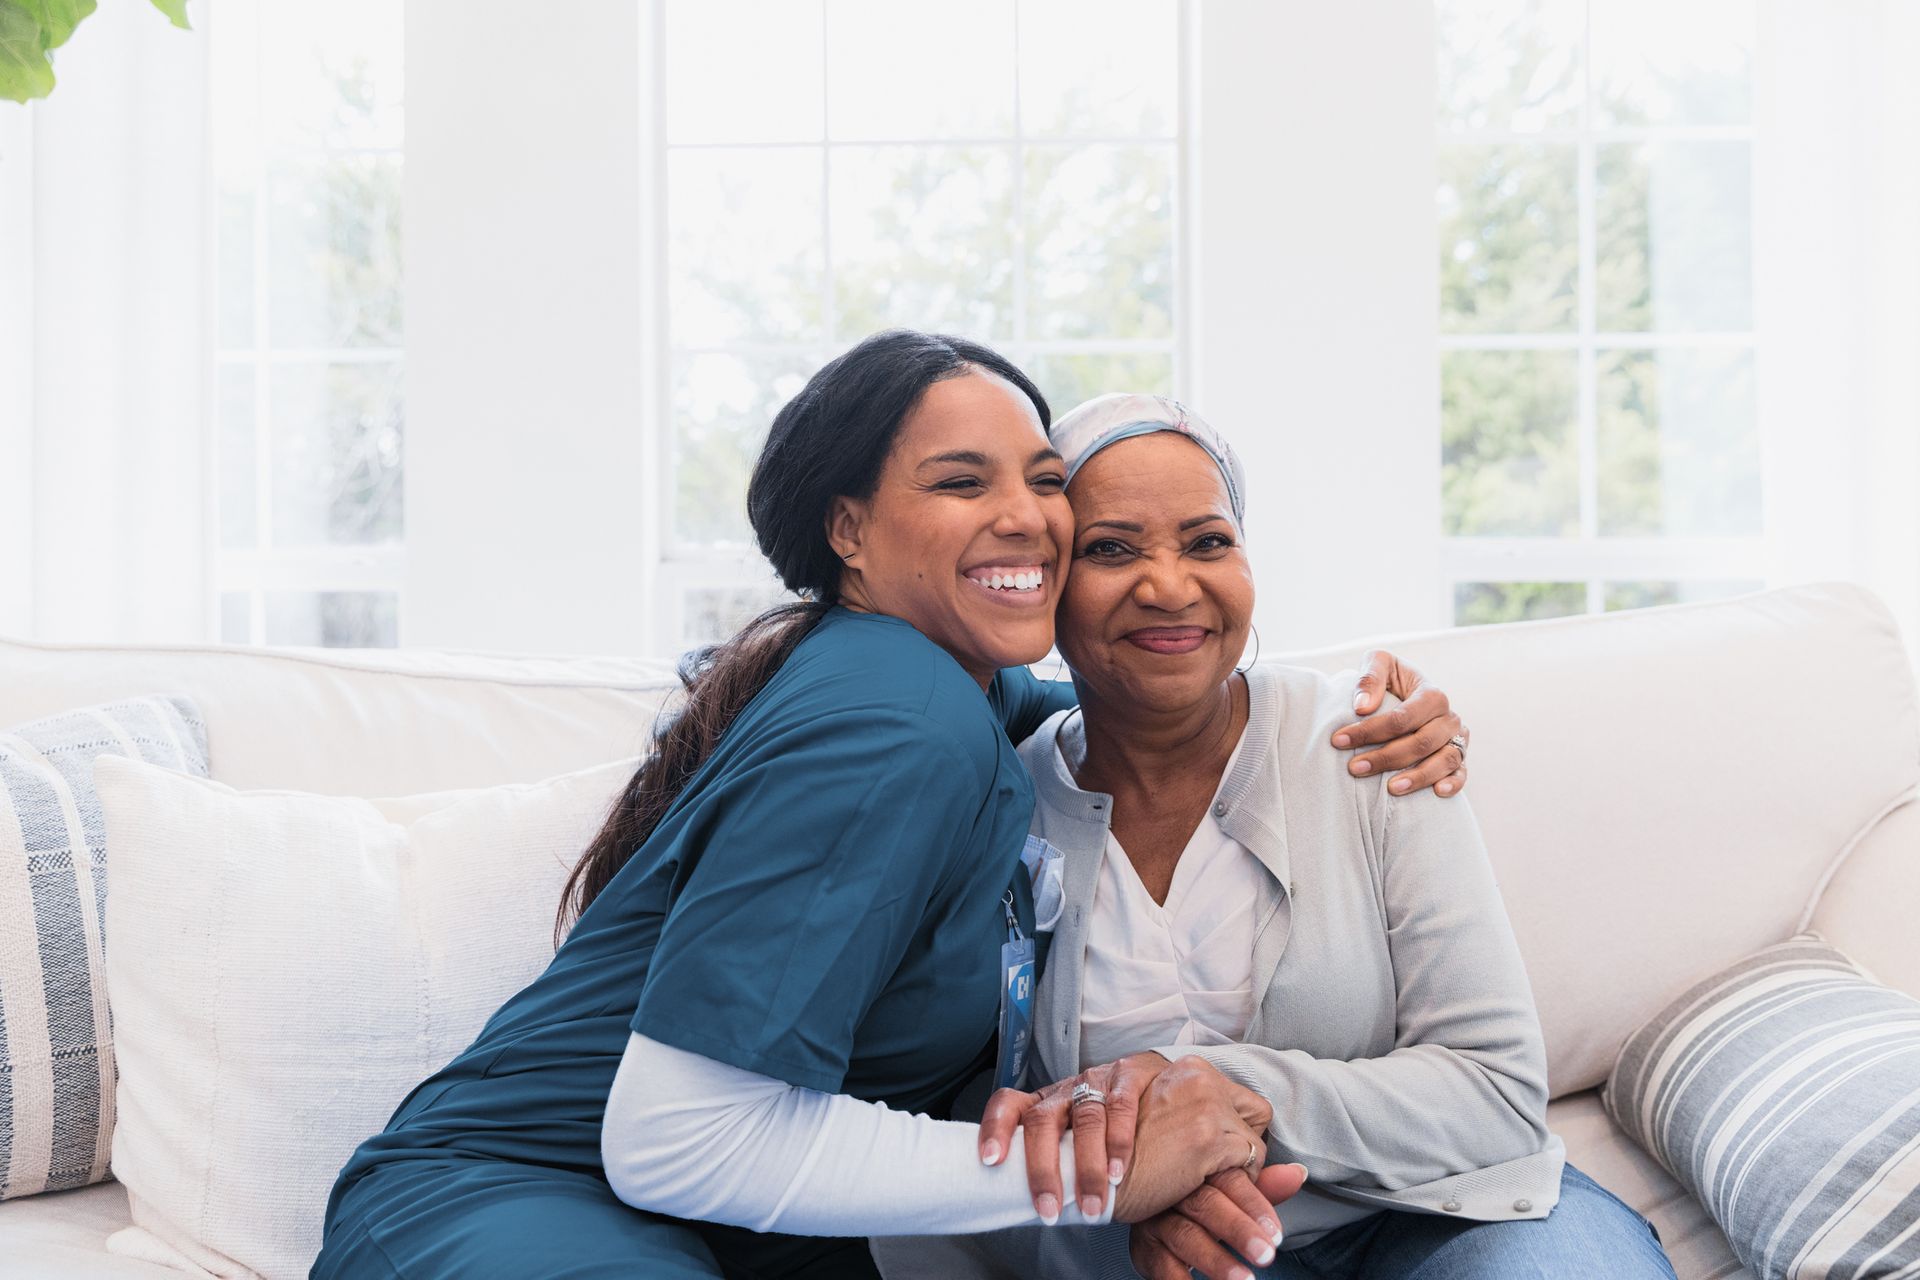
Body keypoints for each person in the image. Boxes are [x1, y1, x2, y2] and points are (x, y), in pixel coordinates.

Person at [311, 335, 1469, 1280]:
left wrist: (1333, 724)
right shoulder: (899, 710)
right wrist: (1105, 1172)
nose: (1028, 516)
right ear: (849, 530)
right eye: (963, 481)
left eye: (1044, 479)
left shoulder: (952, 683)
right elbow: (673, 1136)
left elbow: (1141, 694)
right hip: (512, 1205)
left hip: (750, 1234)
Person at [879, 394, 1677, 1280]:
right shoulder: (1003, 800)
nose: (1171, 585)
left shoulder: (1369, 742)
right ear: (1049, 579)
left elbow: (1495, 1095)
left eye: (1208, 541)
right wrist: (1137, 1196)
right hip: (1161, 1243)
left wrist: (1220, 1091)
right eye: (1112, 549)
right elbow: (970, 1118)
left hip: (1457, 1210)